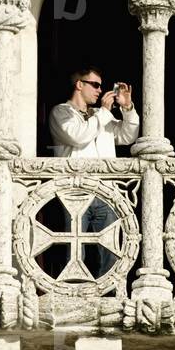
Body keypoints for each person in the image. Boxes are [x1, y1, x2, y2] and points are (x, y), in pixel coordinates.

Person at [48, 67, 139, 277]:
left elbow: (128, 136)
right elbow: (78, 136)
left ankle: (108, 293)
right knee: (74, 252)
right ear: (79, 84)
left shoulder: (100, 115)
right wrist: (105, 112)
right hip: (75, 194)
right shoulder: (61, 112)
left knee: (110, 252)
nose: (100, 90)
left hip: (105, 193)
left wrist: (127, 108)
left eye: (101, 86)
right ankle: (73, 291)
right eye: (95, 85)